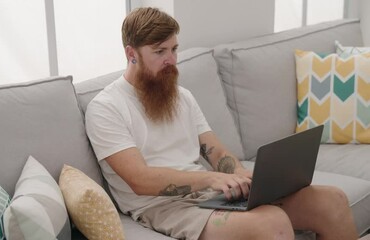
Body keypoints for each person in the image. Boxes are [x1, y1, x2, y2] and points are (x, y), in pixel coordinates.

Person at [86, 7, 358, 240]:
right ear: (131, 53)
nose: (171, 60)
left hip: (206, 195)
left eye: (174, 49)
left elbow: (215, 153)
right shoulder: (106, 108)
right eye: (160, 52)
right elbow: (140, 181)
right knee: (271, 222)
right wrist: (212, 179)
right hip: (162, 206)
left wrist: (240, 175)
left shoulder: (181, 96)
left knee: (331, 200)